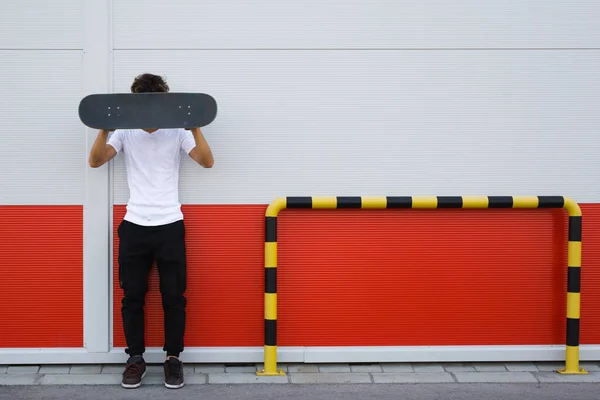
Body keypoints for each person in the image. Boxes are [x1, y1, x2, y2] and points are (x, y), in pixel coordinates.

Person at [88, 73, 214, 389]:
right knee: (133, 297)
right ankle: (135, 360)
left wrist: (194, 125)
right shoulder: (125, 133)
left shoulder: (177, 132)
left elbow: (207, 161)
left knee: (174, 297)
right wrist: (105, 128)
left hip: (170, 223)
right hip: (134, 226)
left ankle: (173, 359)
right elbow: (95, 162)